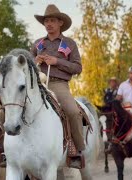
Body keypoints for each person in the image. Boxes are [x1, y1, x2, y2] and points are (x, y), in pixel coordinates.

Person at [30, 4, 84, 168]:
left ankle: (78, 151)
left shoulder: (69, 43)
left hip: (59, 84)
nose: (48, 24)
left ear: (60, 22)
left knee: (73, 111)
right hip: (37, 85)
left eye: (52, 20)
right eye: (46, 21)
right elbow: (26, 66)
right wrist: (34, 61)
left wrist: (57, 61)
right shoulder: (37, 43)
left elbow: (78, 68)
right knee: (14, 105)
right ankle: (9, 151)